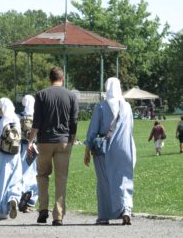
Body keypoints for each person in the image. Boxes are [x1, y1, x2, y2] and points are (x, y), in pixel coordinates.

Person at [27, 67, 78, 226]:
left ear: (49, 79)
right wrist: (72, 140)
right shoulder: (71, 96)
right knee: (61, 178)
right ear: (63, 78)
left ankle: (43, 209)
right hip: (63, 141)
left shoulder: (41, 95)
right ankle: (58, 215)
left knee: (42, 175)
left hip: (44, 142)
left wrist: (30, 141)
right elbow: (74, 121)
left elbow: (36, 122)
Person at [84, 77, 136, 225]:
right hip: (125, 147)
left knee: (105, 181)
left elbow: (92, 131)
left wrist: (87, 150)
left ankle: (105, 215)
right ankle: (126, 209)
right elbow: (131, 128)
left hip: (105, 149)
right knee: (125, 179)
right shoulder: (127, 107)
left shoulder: (101, 107)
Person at [19, 95, 38, 213]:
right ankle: (30, 198)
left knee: (22, 172)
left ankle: (21, 194)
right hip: (34, 147)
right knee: (34, 172)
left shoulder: (19, 115)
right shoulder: (37, 115)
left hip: (22, 147)